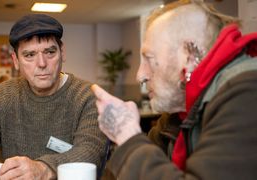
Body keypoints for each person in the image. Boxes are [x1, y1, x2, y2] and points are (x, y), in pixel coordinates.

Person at [92, 0, 257, 179]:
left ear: (189, 56)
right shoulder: (176, 115)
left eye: (149, 58)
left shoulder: (246, 93)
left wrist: (128, 137)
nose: (140, 76)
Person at [0, 14, 107, 179]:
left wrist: (42, 169)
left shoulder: (88, 96)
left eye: (50, 52)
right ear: (16, 61)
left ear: (62, 52)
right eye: (29, 55)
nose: (42, 63)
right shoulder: (0, 96)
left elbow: (90, 153)